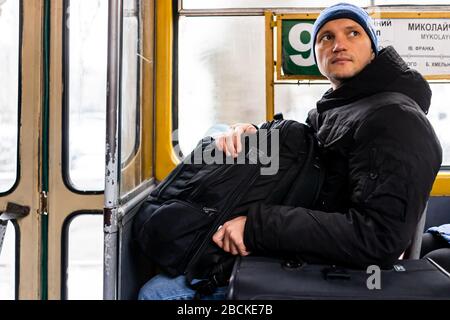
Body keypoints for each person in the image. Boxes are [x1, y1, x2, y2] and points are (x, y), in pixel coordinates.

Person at [138, 3, 442, 300]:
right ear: (317, 56)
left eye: (353, 34)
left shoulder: (394, 118)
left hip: (343, 270)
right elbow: (308, 160)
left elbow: (377, 236)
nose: (339, 44)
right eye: (327, 37)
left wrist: (257, 227)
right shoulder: (340, 109)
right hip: (305, 248)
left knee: (158, 293)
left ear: (373, 49)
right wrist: (253, 135)